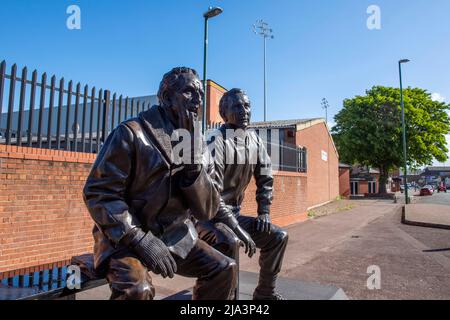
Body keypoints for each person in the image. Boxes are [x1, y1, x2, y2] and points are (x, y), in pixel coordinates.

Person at [83, 67, 237, 300]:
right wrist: (138, 238)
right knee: (138, 291)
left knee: (224, 268)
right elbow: (99, 193)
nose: (197, 100)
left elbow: (207, 210)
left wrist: (193, 165)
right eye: (188, 92)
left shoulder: (198, 143)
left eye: (200, 95)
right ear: (166, 97)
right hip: (126, 240)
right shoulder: (131, 133)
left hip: (176, 236)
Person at [196, 88, 289, 300]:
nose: (244, 111)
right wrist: (237, 228)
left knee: (278, 237)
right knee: (229, 240)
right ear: (224, 113)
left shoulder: (254, 140)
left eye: (247, 106)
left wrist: (264, 211)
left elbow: (265, 177)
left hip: (233, 215)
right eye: (237, 106)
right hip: (207, 217)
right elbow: (211, 194)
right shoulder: (214, 141)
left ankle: (265, 293)